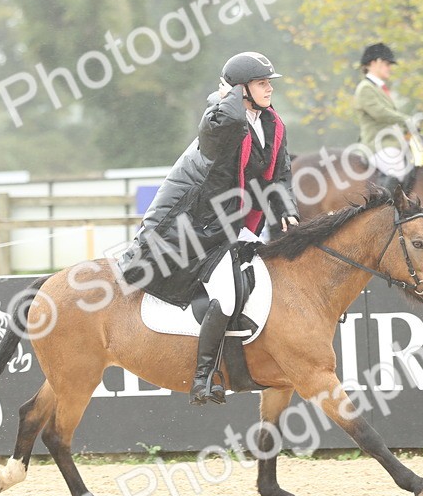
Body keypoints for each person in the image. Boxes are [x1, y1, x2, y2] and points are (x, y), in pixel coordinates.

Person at [117, 52, 299, 405]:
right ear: (241, 90)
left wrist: (286, 209)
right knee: (228, 294)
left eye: (268, 83)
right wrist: (228, 94)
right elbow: (228, 119)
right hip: (198, 225)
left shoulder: (272, 124)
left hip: (236, 222)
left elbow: (281, 175)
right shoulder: (219, 120)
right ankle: (203, 377)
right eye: (261, 83)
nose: (268, 89)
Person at [354, 42, 423, 194]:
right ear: (375, 62)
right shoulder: (365, 88)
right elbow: (380, 113)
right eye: (387, 64)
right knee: (397, 170)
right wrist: (407, 120)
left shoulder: (378, 88)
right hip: (378, 145)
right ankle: (388, 210)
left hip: (392, 142)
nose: (390, 68)